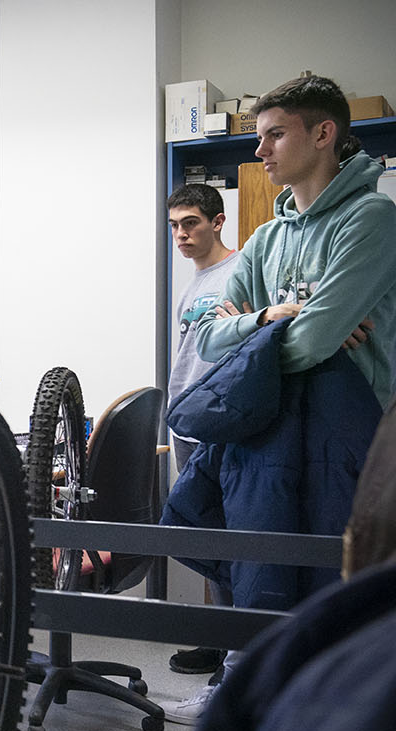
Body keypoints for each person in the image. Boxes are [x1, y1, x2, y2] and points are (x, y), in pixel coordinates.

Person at [159, 74, 396, 724]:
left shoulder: (371, 219)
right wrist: (273, 317)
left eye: (274, 135)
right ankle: (239, 690)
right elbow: (208, 336)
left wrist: (271, 330)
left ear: (323, 134)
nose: (260, 149)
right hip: (262, 429)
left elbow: (317, 341)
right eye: (258, 136)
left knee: (325, 577)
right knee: (251, 558)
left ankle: (317, 716)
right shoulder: (267, 238)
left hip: (342, 434)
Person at [163, 183, 240, 678]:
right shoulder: (192, 283)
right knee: (208, 536)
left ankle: (237, 653)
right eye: (174, 226)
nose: (181, 235)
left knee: (233, 539)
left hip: (220, 422)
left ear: (217, 222)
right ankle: (219, 640)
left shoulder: (240, 269)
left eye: (190, 223)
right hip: (186, 422)